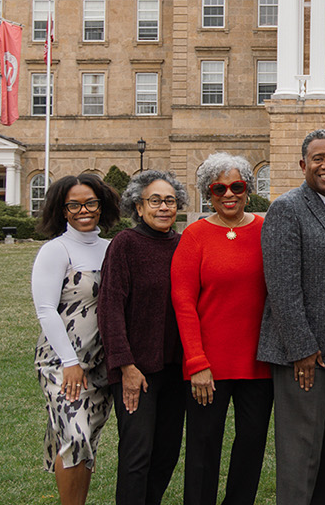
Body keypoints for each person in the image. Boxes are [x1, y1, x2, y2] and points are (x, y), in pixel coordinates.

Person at [257, 129, 325, 505]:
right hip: (305, 358)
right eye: (318, 158)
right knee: (301, 459)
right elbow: (282, 286)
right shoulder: (287, 208)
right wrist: (302, 348)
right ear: (303, 165)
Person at [171, 153, 272, 505]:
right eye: (219, 188)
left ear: (248, 190)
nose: (228, 194)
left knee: (251, 446)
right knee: (202, 448)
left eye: (237, 186)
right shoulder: (195, 235)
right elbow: (183, 302)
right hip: (207, 367)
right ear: (208, 192)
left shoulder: (265, 229)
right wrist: (197, 362)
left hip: (258, 365)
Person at [98, 169, 190, 505]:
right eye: (155, 201)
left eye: (170, 200)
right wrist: (125, 366)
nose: (164, 207)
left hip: (176, 370)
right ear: (138, 207)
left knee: (166, 453)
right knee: (137, 455)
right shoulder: (125, 245)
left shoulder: (183, 245)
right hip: (137, 371)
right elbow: (109, 308)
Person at [31, 173, 122, 505]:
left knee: (85, 439)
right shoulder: (55, 251)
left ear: (102, 206)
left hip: (100, 363)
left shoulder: (112, 249)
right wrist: (70, 362)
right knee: (77, 435)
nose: (83, 210)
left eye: (90, 203)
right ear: (62, 209)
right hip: (61, 362)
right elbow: (45, 310)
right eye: (74, 205)